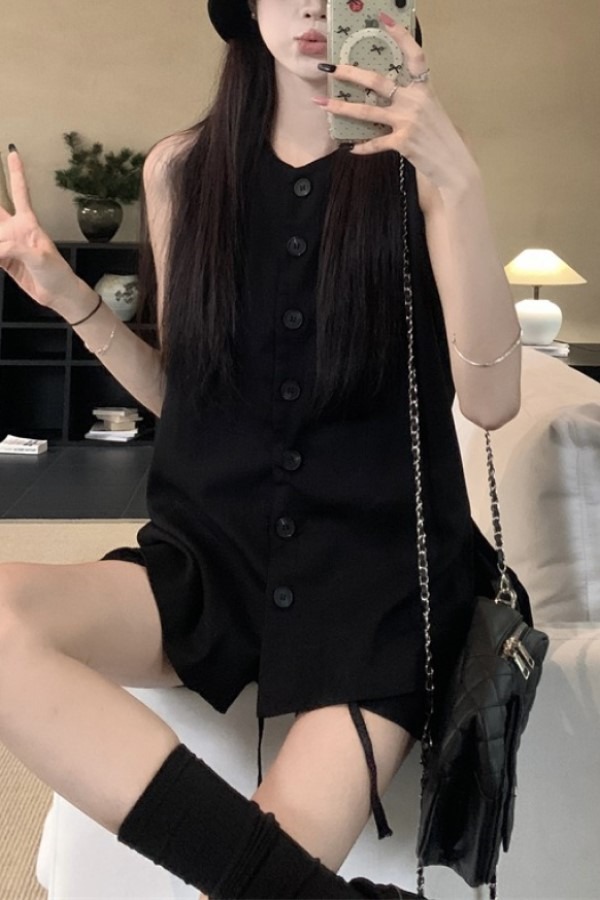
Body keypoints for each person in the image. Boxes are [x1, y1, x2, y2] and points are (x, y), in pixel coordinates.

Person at [0, 1, 523, 898]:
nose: (313, 3)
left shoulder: (422, 168)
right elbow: (192, 402)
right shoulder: (180, 171)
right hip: (210, 562)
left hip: (378, 588)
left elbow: (492, 400)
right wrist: (69, 301)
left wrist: (457, 185)